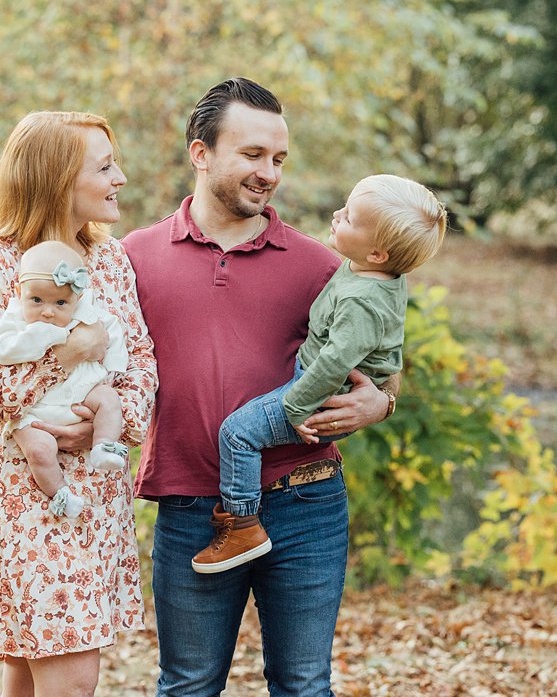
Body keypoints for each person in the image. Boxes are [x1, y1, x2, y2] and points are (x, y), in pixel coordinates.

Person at [123, 78, 401, 697]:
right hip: (192, 507)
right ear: (201, 153)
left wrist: (379, 402)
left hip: (306, 503)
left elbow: (381, 360)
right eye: (252, 155)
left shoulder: (323, 266)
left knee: (303, 685)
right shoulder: (133, 257)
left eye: (278, 159)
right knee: (189, 685)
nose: (269, 173)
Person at [0, 110, 157, 697]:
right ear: (57, 178)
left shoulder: (112, 260)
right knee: (67, 677)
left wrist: (104, 423)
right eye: (105, 166)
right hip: (27, 496)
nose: (120, 178)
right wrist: (61, 357)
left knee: (29, 673)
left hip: (98, 492)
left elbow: (141, 362)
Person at [193, 174, 448, 573]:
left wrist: (297, 406)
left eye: (349, 218)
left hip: (322, 395)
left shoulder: (361, 300)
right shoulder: (369, 273)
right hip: (322, 385)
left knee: (238, 433)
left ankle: (243, 523)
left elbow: (333, 363)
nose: (337, 215)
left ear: (378, 253)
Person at [0, 239, 132, 519]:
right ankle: (60, 494)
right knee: (40, 450)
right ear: (19, 292)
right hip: (35, 411)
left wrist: (112, 372)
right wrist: (51, 335)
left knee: (108, 399)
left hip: (79, 391)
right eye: (36, 300)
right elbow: (3, 350)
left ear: (77, 299)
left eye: (60, 303)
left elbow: (112, 334)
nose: (47, 311)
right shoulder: (16, 319)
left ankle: (104, 445)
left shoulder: (88, 313)